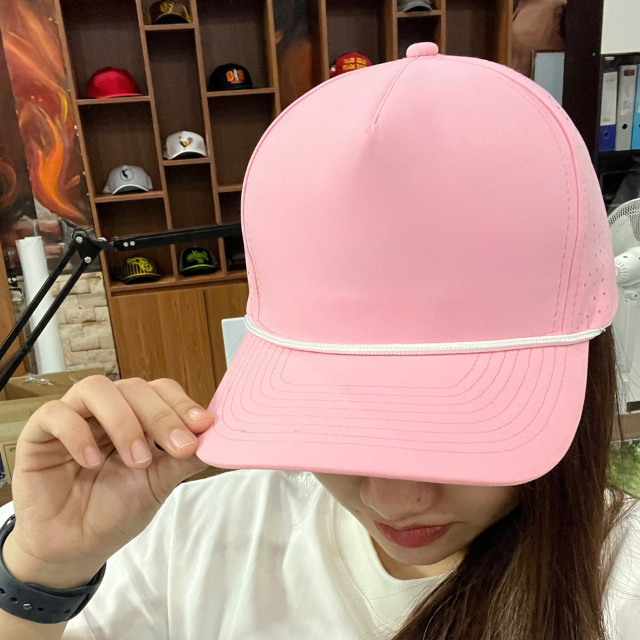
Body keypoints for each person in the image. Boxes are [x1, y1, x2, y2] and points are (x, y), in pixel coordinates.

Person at [0, 44, 639, 640]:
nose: (395, 501)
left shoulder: (623, 586)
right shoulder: (195, 536)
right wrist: (45, 572)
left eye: (454, 424)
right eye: (345, 419)